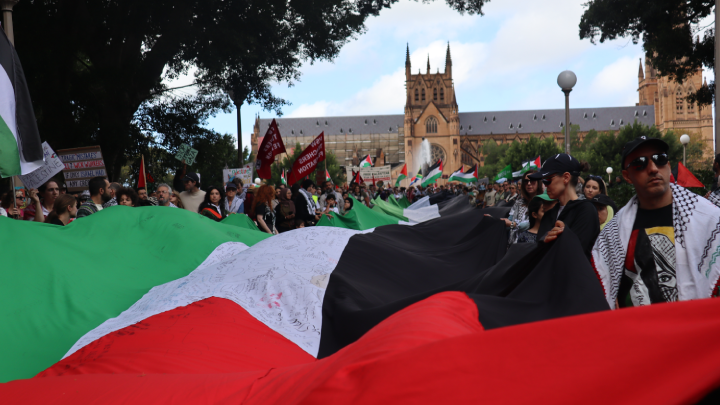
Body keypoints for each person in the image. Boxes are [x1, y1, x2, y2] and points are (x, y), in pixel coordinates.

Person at [592, 136, 720, 308]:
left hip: (690, 327)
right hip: (636, 330)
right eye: (640, 163)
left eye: (660, 159)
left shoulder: (709, 220)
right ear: (627, 176)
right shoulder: (615, 231)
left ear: (668, 166)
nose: (653, 168)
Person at [530, 154, 599, 258]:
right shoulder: (549, 214)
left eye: (547, 180)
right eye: (543, 181)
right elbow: (539, 252)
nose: (545, 185)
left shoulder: (586, 210)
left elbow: (574, 254)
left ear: (566, 178)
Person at [504, 170, 544, 244]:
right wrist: (498, 221)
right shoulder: (519, 202)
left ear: (538, 182)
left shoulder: (543, 202)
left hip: (532, 244)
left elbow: (532, 223)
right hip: (514, 243)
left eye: (532, 180)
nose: (529, 183)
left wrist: (513, 224)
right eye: (526, 181)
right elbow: (510, 218)